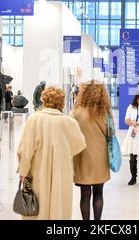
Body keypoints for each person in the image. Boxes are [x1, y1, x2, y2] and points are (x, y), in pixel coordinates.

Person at [17, 86, 86, 220]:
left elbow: (26, 150)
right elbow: (80, 144)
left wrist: (23, 171)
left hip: (38, 171)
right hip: (63, 171)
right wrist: (65, 151)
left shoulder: (34, 120)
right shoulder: (69, 122)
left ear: (44, 100)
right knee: (59, 205)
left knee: (39, 205)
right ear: (62, 102)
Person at [71, 81, 112, 220]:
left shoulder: (76, 112)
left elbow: (71, 133)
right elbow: (111, 133)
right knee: (99, 193)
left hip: (82, 155)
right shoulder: (104, 112)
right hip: (100, 155)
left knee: (85, 194)